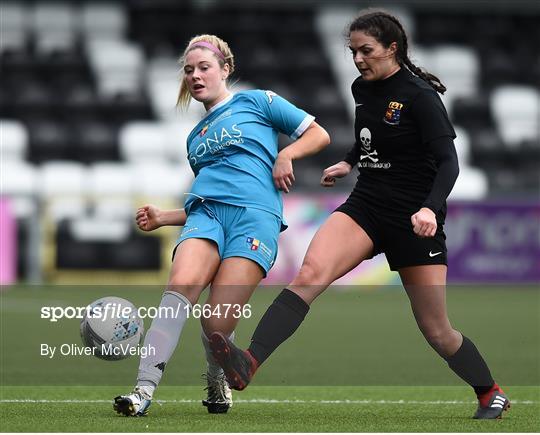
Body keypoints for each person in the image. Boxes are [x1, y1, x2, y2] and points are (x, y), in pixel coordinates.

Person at [209, 11, 510, 420]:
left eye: (366, 50)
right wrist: (350, 162)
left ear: (392, 48)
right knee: (310, 274)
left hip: (412, 219)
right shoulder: (361, 88)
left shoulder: (421, 97)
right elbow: (372, 136)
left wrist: (429, 208)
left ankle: (489, 391)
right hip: (366, 206)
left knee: (437, 331)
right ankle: (249, 363)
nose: (358, 59)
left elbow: (448, 162)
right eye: (352, 51)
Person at [113, 34, 330, 416]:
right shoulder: (194, 139)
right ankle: (142, 392)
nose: (195, 76)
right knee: (178, 290)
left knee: (216, 323)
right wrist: (166, 217)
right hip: (206, 218)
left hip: (255, 220)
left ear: (225, 69)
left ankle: (216, 379)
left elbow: (319, 134)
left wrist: (286, 154)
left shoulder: (258, 101)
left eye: (203, 68)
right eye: (188, 71)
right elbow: (212, 196)